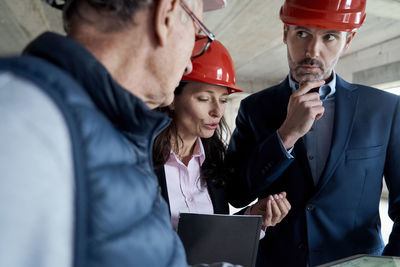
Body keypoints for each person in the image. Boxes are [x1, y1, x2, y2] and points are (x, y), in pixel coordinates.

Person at [0, 0, 231, 267]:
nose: (190, 66)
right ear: (165, 15)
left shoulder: (119, 132)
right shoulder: (23, 126)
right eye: (197, 31)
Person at [225, 0, 400, 266]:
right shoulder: (254, 109)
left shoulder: (385, 108)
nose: (312, 51)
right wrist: (286, 136)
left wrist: (388, 262)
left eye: (330, 36)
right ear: (285, 33)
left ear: (348, 40)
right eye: (302, 33)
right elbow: (236, 194)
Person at [153, 38, 291, 232]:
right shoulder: (138, 162)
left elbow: (211, 237)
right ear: (171, 98)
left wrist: (252, 217)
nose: (217, 111)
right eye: (204, 99)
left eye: (224, 99)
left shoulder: (215, 161)